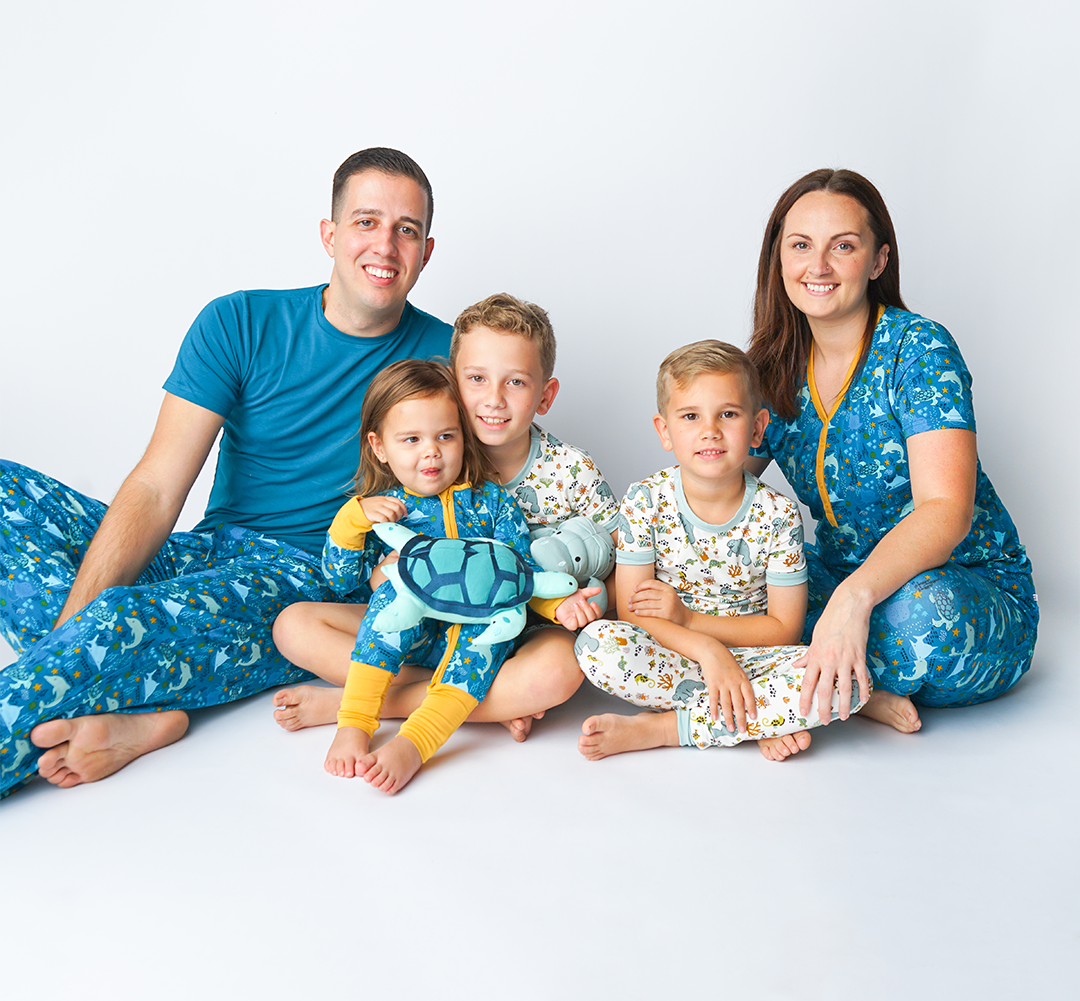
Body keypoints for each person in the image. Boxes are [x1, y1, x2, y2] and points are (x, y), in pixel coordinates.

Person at [0, 147, 452, 798]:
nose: (385, 243)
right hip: (210, 550)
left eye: (406, 229)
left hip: (307, 578)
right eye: (366, 221)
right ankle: (122, 704)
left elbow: (503, 488)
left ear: (426, 251)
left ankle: (99, 680)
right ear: (329, 234)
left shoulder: (448, 356)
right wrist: (74, 634)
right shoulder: (240, 321)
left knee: (116, 620)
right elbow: (157, 486)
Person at [745, 168, 1037, 731]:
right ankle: (858, 691)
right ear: (778, 259)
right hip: (837, 581)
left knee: (922, 615)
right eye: (801, 246)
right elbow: (715, 486)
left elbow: (945, 512)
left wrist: (852, 602)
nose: (819, 266)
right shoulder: (768, 368)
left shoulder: (920, 348)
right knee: (724, 575)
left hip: (959, 588)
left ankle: (810, 674)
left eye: (844, 246)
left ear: (878, 261)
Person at [273, 292, 614, 738]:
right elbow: (354, 575)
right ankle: (492, 702)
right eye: (476, 379)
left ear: (544, 395)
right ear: (452, 383)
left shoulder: (572, 470)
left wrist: (585, 604)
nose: (493, 400)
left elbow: (615, 554)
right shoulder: (424, 460)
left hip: (515, 631)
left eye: (515, 382)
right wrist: (378, 571)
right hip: (425, 620)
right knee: (293, 625)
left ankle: (361, 703)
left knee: (559, 669)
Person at [576, 340, 868, 763]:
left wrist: (693, 620)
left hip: (759, 659)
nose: (709, 430)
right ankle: (759, 719)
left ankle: (666, 727)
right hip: (676, 653)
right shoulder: (645, 501)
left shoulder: (777, 514)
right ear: (664, 431)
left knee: (847, 682)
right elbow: (633, 613)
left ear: (756, 428)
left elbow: (784, 628)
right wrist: (706, 650)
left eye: (727, 414)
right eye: (691, 416)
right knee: (596, 644)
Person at [288, 359, 572, 793]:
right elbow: (341, 581)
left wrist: (557, 604)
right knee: (295, 624)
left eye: (445, 436)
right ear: (379, 446)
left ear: (463, 436)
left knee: (546, 662)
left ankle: (414, 739)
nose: (431, 451)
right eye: (411, 439)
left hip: (474, 634)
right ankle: (357, 719)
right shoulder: (381, 508)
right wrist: (353, 520)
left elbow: (521, 575)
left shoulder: (491, 502)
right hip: (407, 638)